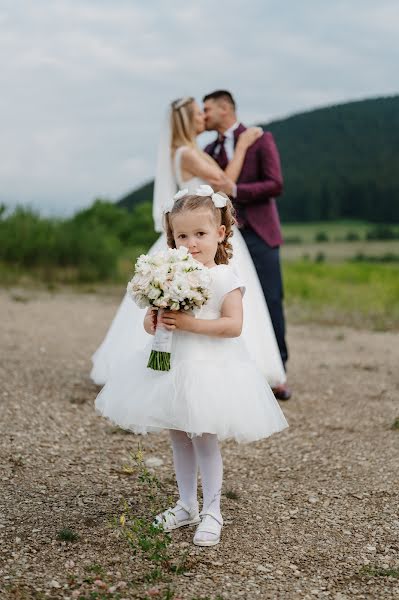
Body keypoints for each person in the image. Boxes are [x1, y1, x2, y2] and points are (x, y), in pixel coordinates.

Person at [95, 189, 288, 547]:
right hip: (172, 366)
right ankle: (186, 504)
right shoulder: (169, 274)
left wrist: (189, 324)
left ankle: (213, 509)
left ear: (220, 233)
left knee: (204, 436)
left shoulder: (225, 278)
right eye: (182, 236)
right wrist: (155, 320)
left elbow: (233, 326)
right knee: (178, 434)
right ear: (172, 238)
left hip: (209, 367)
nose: (191, 243)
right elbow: (150, 325)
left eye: (200, 234)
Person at [91, 97, 286, 390]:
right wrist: (243, 145)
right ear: (184, 120)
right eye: (197, 113)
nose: (202, 118)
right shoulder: (188, 153)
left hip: (206, 233)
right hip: (199, 236)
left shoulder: (196, 151)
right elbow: (224, 186)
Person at [203, 90, 292, 400]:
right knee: (228, 302)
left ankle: (277, 371)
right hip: (224, 239)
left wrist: (236, 189)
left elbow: (275, 183)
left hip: (260, 233)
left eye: (208, 109)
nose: (204, 115)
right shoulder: (208, 149)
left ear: (225, 108)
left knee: (269, 300)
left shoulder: (259, 139)